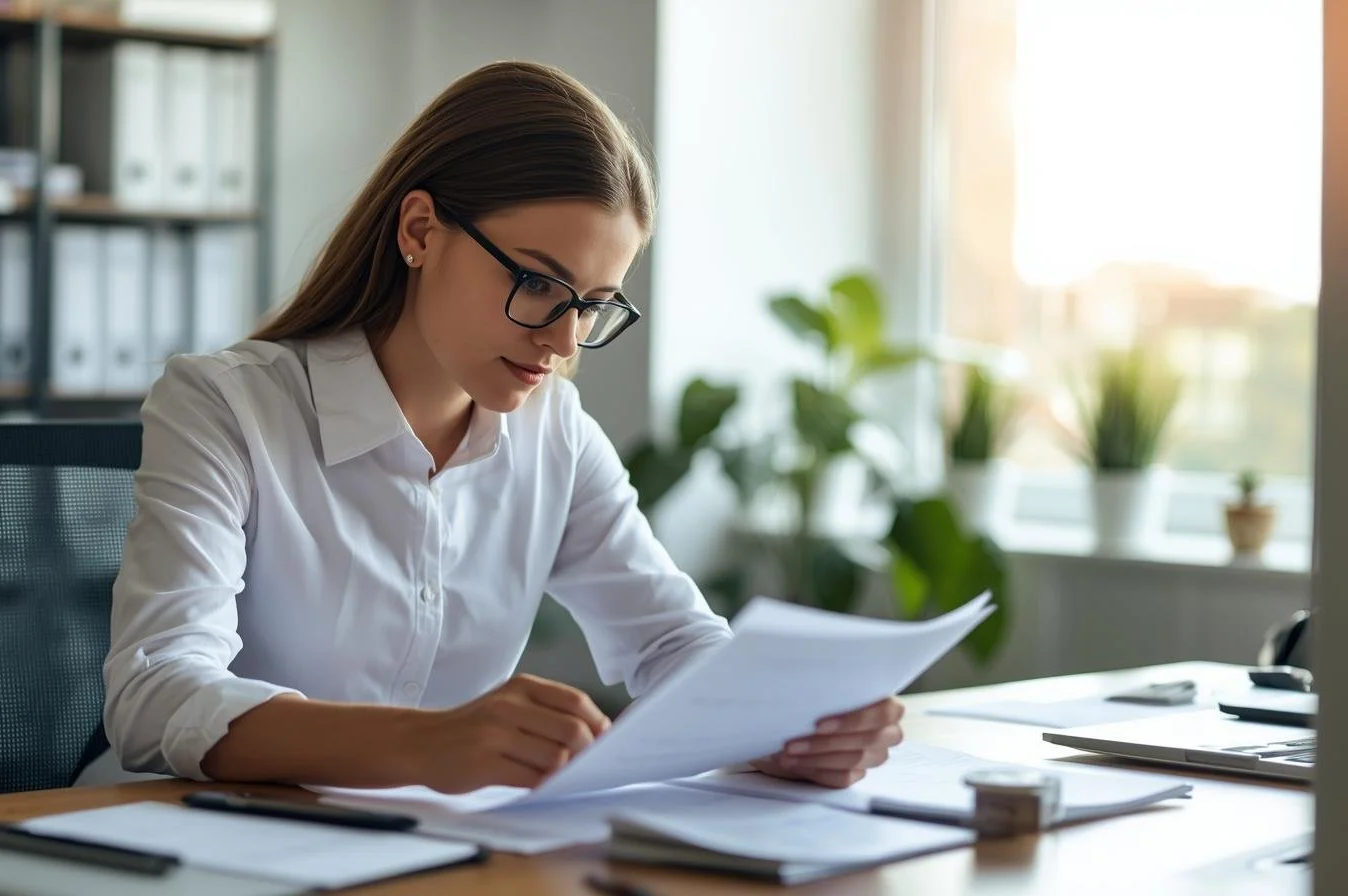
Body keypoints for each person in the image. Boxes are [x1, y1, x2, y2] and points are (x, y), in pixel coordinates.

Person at [94, 61, 903, 794]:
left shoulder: (553, 432)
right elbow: (158, 692)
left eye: (591, 306)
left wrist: (788, 724)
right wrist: (427, 746)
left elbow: (669, 642)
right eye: (537, 283)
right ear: (419, 232)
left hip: (430, 852)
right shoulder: (225, 407)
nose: (561, 342)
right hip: (194, 847)